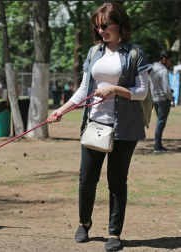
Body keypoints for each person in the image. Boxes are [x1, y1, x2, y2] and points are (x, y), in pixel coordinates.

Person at [47, 2, 152, 251]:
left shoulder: (135, 53)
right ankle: (84, 224)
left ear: (119, 24)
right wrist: (61, 110)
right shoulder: (94, 52)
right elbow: (84, 89)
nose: (101, 30)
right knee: (86, 179)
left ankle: (114, 234)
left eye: (106, 25)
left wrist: (114, 89)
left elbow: (142, 92)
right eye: (98, 26)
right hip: (94, 124)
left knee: (117, 181)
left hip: (124, 128)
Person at [149, 50, 175, 153]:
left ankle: (157, 144)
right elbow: (166, 89)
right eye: (170, 60)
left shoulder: (151, 68)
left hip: (155, 98)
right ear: (164, 59)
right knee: (161, 123)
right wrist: (172, 98)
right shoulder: (163, 71)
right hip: (163, 99)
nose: (170, 63)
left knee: (159, 122)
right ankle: (157, 145)